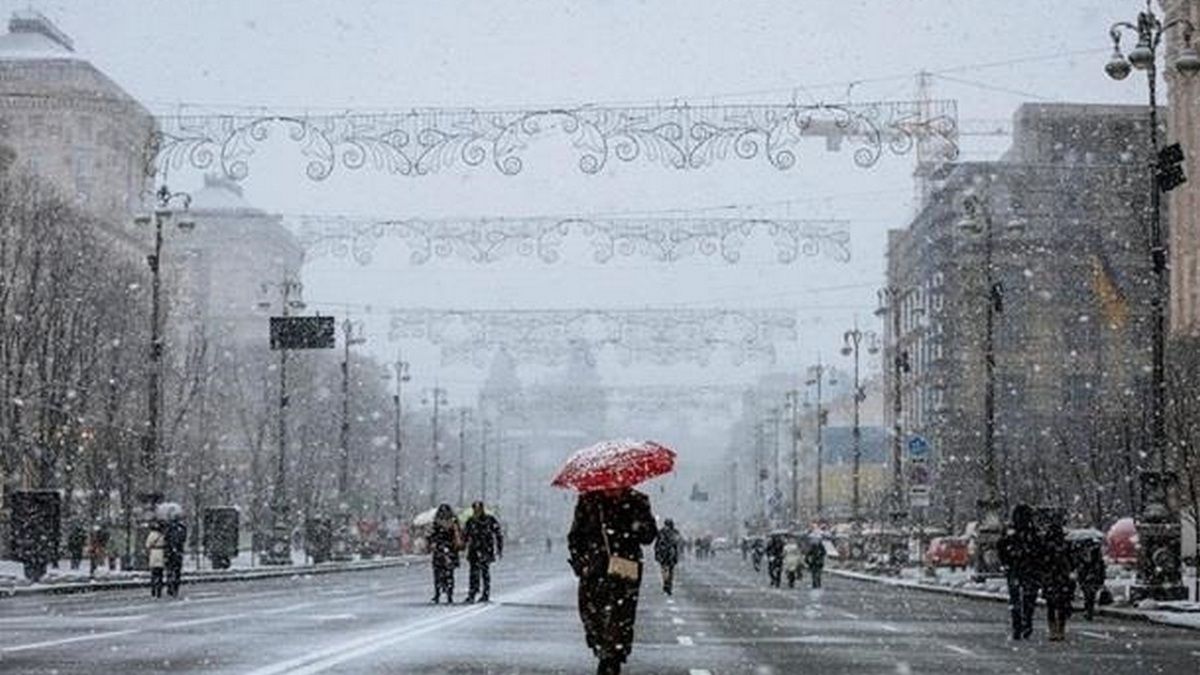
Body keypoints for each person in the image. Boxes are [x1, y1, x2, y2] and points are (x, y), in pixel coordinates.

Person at [568, 487, 658, 675]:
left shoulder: (637, 500)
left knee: (621, 615)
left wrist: (636, 526)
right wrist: (580, 561)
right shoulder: (589, 501)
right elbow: (575, 536)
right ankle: (604, 647)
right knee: (591, 613)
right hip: (594, 569)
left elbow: (649, 536)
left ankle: (612, 657)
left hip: (625, 567)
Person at [997, 504, 1041, 640]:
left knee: (1016, 599)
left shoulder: (1012, 532)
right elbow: (1040, 549)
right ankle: (1026, 623)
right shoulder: (1032, 532)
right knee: (1028, 599)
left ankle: (1018, 625)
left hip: (1017, 569)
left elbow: (1001, 547)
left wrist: (1007, 562)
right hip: (1028, 569)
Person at [1041, 520, 1075, 642]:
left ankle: (1053, 630)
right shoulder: (1065, 545)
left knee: (1051, 606)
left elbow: (1043, 562)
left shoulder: (1046, 546)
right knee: (1061, 605)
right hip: (1061, 578)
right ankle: (1060, 630)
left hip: (1051, 578)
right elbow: (1072, 561)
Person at [463, 501, 503, 603]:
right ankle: (472, 593)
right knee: (473, 573)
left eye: (478, 509)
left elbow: (498, 534)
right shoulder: (470, 521)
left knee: (485, 572)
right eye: (475, 509)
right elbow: (465, 536)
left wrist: (499, 548)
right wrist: (462, 545)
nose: (477, 511)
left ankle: (485, 593)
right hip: (474, 550)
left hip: (485, 549)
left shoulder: (489, 520)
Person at [429, 503, 462, 604]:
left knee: (438, 574)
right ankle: (449, 594)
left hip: (440, 550)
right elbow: (458, 535)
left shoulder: (436, 522)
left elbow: (432, 535)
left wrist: (433, 542)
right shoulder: (454, 522)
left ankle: (438, 593)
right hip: (450, 550)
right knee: (449, 574)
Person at [1075, 537, 1106, 621]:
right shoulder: (1086, 553)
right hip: (1089, 576)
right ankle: (1089, 610)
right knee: (1089, 595)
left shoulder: (1092, 554)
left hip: (1090, 576)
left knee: (1089, 594)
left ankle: (1089, 611)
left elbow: (1096, 565)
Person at [654, 518, 682, 595]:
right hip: (671, 554)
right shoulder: (675, 532)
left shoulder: (661, 532)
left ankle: (666, 583)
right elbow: (677, 544)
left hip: (663, 554)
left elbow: (657, 544)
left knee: (664, 569)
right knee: (670, 571)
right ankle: (668, 584)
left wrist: (657, 553)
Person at [164, 513, 188, 598]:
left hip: (169, 553)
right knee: (177, 571)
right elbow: (183, 539)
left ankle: (170, 587)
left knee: (169, 570)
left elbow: (165, 539)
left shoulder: (168, 528)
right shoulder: (182, 528)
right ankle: (175, 588)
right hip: (178, 553)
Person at [145, 521, 166, 599]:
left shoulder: (151, 535)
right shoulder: (162, 535)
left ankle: (153, 590)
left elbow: (147, 545)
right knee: (160, 574)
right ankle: (159, 591)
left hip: (153, 554)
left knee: (153, 573)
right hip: (161, 553)